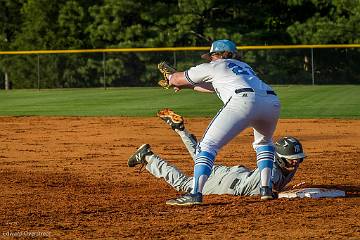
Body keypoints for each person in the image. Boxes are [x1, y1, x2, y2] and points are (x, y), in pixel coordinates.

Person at [159, 39, 281, 205]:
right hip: (271, 101)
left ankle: (195, 194)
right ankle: (266, 189)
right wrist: (186, 85)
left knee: (207, 146)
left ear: (216, 55)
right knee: (264, 143)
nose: (210, 59)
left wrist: (170, 77)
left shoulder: (214, 66)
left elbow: (178, 78)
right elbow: (213, 86)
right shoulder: (245, 67)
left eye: (212, 55)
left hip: (243, 101)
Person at [128, 109, 305, 205]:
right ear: (280, 158)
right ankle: (148, 157)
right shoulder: (273, 174)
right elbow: (269, 192)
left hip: (230, 174)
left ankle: (181, 130)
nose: (296, 161)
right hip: (226, 183)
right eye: (293, 158)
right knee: (183, 184)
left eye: (298, 158)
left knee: (202, 157)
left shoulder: (275, 166)